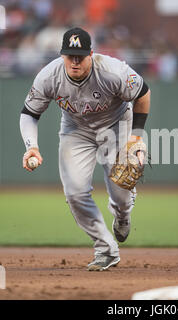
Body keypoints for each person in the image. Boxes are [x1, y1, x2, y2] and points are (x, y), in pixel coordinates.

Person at [20, 27, 150, 271]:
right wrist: (32, 147)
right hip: (76, 128)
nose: (75, 61)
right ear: (62, 56)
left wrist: (136, 137)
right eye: (70, 55)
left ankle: (122, 213)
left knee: (121, 192)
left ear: (91, 53)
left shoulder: (112, 71)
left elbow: (143, 93)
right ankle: (105, 249)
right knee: (75, 192)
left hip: (117, 124)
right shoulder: (49, 76)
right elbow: (29, 113)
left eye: (80, 55)